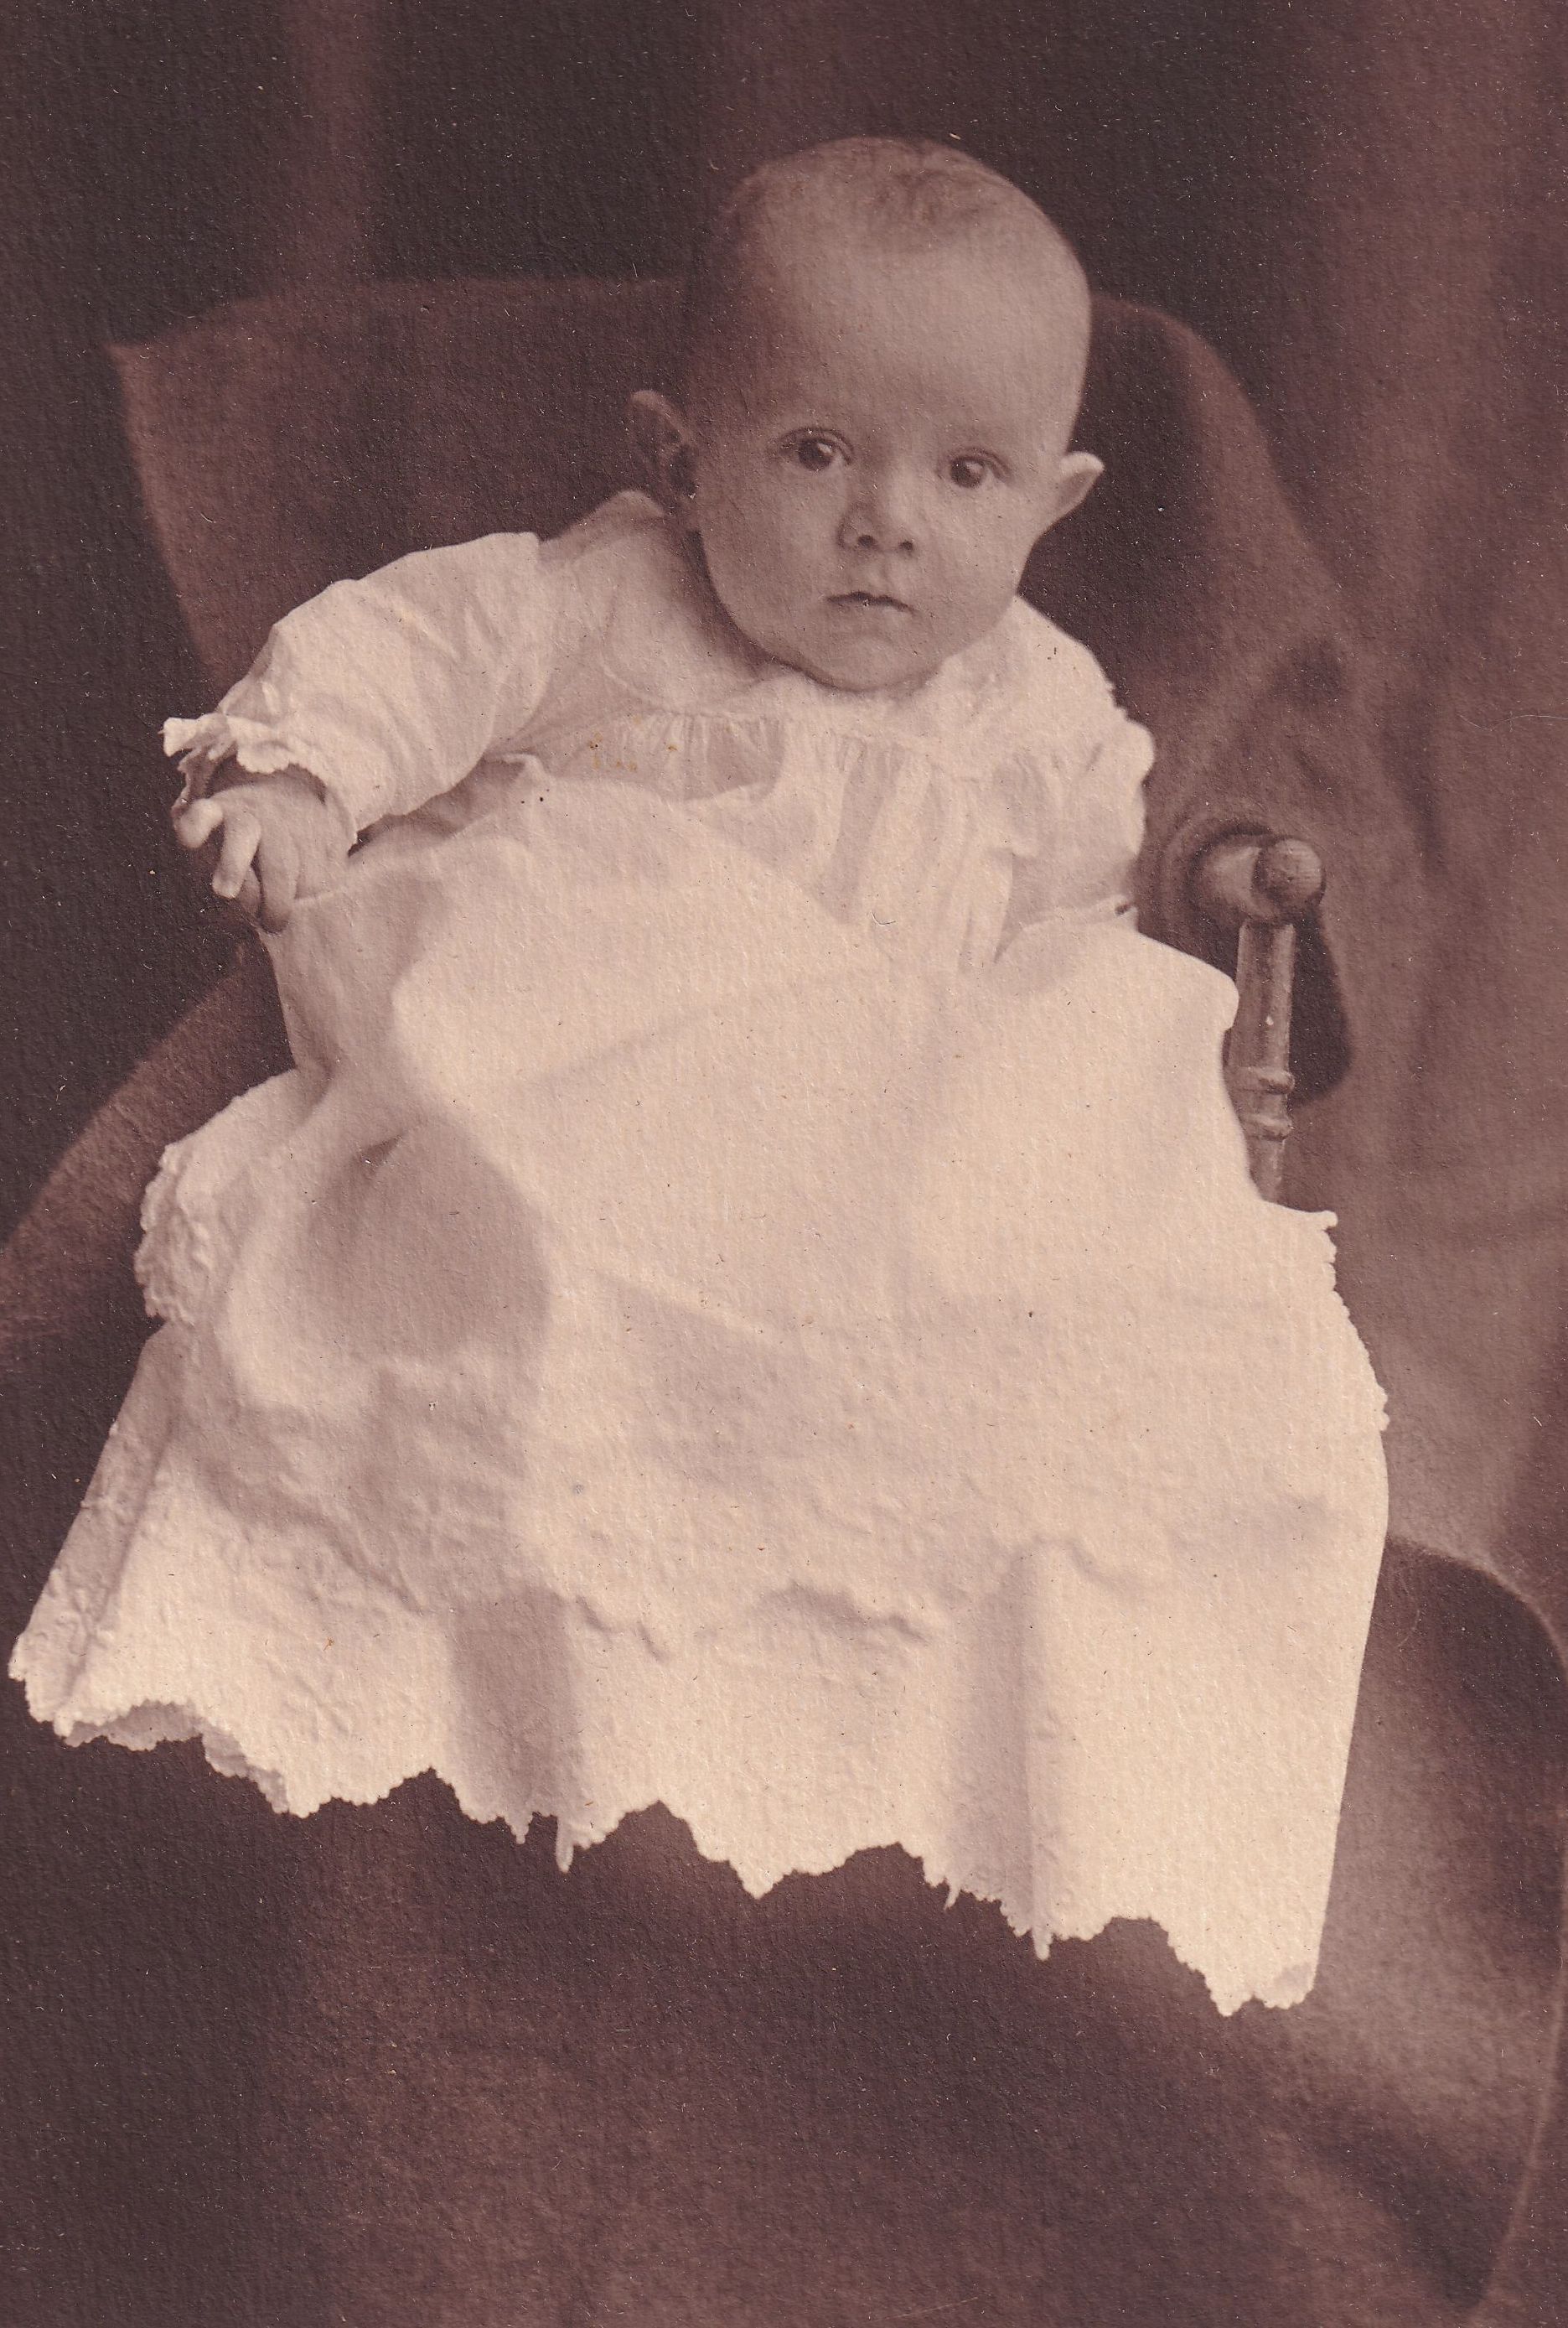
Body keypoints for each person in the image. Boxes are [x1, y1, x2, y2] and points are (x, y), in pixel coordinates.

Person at [9, 138, 1386, 2017]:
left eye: (965, 475)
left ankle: (869, 1717)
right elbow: (418, 650)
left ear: (1053, 501)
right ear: (680, 461)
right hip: (615, 1067)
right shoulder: (607, 602)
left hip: (870, 1137)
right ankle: (559, 1688)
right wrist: (303, 772)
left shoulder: (1045, 710)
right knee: (542, 1235)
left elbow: (1062, 932)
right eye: (817, 454)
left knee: (1062, 1144)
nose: (885, 524)